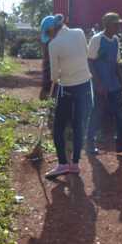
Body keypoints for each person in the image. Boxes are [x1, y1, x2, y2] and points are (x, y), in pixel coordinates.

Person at [42, 14, 94, 178]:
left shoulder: (54, 44)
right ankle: (76, 164)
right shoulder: (79, 32)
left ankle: (63, 164)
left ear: (51, 29)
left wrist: (59, 73)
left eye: (47, 33)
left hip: (68, 88)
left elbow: (53, 77)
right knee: (79, 125)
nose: (48, 37)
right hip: (85, 85)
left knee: (58, 126)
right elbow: (86, 54)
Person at [86, 12, 122, 155]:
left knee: (120, 113)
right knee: (97, 113)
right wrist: (98, 84)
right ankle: (89, 144)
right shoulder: (97, 39)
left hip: (114, 84)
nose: (119, 27)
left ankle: (121, 144)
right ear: (107, 25)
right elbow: (90, 61)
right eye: (116, 24)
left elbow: (116, 63)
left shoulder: (115, 40)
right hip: (100, 84)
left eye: (119, 24)